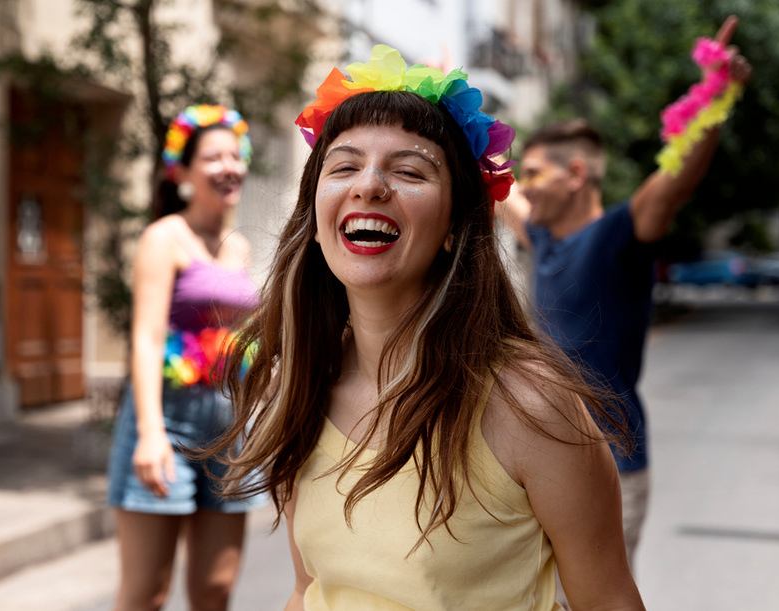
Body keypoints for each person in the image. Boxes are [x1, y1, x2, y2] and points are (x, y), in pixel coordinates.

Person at [207, 45, 646, 611]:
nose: (368, 185)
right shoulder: (299, 381)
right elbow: (307, 589)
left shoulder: (532, 404)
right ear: (315, 221)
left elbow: (608, 600)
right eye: (343, 166)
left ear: (452, 228)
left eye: (409, 170)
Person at [495, 17, 753, 573]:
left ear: (577, 175)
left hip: (612, 463)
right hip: (538, 461)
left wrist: (715, 95)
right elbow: (499, 185)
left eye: (534, 172)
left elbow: (676, 179)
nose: (524, 183)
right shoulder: (541, 238)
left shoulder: (618, 235)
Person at [106, 104, 263, 611]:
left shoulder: (239, 247)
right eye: (213, 157)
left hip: (228, 426)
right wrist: (151, 434)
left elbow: (245, 340)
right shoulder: (164, 237)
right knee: (146, 593)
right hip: (168, 422)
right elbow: (148, 338)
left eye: (235, 156)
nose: (229, 166)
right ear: (184, 171)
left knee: (215, 589)